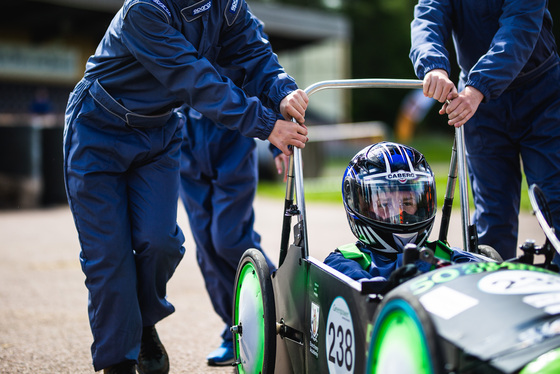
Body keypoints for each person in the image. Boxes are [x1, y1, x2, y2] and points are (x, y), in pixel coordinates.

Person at [63, 1, 309, 373]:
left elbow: (254, 52)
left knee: (161, 243)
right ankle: (120, 361)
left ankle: (143, 322)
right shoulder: (144, 11)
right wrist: (265, 124)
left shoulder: (227, 5)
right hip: (97, 130)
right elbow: (193, 77)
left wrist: (282, 90)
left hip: (158, 132)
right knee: (108, 258)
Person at [409, 0, 560, 261]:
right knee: (492, 217)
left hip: (541, 97)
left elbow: (519, 27)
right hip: (479, 107)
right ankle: (494, 294)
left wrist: (478, 87)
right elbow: (427, 19)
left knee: (555, 203)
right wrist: (433, 66)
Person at [178, 109, 286, 366]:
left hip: (231, 141)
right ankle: (235, 330)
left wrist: (276, 142)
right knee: (205, 246)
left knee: (228, 238)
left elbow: (262, 75)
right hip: (186, 143)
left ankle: (282, 304)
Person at [325, 142, 481, 291]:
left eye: (407, 202)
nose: (400, 213)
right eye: (384, 204)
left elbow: (483, 272)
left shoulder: (443, 255)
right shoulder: (347, 261)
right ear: (359, 205)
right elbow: (360, 291)